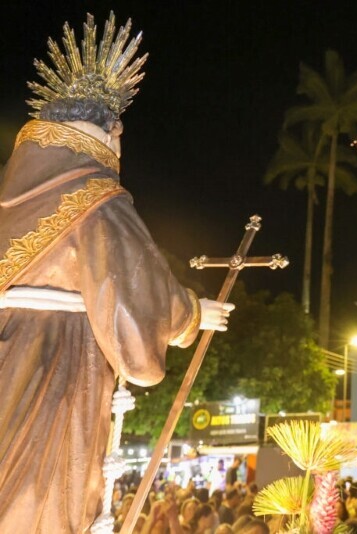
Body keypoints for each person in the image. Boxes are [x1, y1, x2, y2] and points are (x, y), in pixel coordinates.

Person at [0, 12, 234, 533]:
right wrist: (192, 314)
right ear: (112, 132)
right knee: (41, 502)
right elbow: (130, 303)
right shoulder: (94, 198)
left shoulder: (8, 200)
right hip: (55, 369)